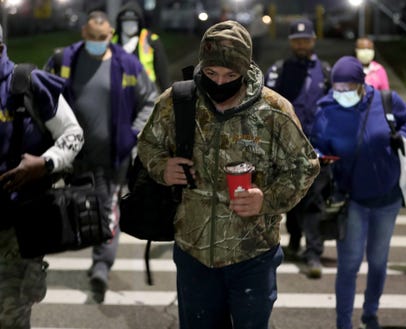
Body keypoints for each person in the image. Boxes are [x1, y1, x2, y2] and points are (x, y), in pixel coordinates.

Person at [137, 20, 320, 329]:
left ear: (245, 70)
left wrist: (266, 199)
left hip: (252, 255)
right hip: (193, 252)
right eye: (211, 73)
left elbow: (304, 166)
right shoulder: (178, 101)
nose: (220, 82)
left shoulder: (273, 110)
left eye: (230, 75)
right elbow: (148, 144)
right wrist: (162, 168)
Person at [43, 10, 158, 303]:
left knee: (108, 209)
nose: (98, 42)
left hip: (113, 155)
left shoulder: (127, 64)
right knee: (71, 206)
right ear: (84, 34)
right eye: (93, 37)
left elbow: (149, 100)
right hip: (72, 155)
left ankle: (101, 266)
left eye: (103, 38)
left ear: (110, 35)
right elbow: (43, 95)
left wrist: (133, 134)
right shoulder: (64, 61)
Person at [311, 56, 406, 329]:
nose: (342, 93)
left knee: (379, 262)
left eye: (348, 87)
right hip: (351, 199)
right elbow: (314, 145)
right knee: (349, 265)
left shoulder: (385, 100)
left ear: (361, 84)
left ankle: (371, 315)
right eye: (337, 88)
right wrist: (320, 157)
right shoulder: (326, 110)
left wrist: (403, 135)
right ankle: (343, 323)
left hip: (387, 198)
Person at [0, 24, 84, 328]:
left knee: (11, 316)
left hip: (17, 225)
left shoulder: (28, 83)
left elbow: (73, 135)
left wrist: (45, 163)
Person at [264, 17, 331, 278]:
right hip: (286, 150)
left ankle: (313, 252)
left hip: (318, 149)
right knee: (292, 201)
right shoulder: (279, 71)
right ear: (291, 43)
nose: (302, 44)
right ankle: (293, 240)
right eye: (297, 40)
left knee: (315, 203)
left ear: (313, 40)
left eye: (306, 39)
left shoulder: (325, 71)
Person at [112, 1, 170, 91]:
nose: (129, 25)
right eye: (126, 21)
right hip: (119, 92)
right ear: (120, 23)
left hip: (146, 91)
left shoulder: (151, 40)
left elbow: (162, 73)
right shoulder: (112, 42)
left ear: (139, 22)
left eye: (133, 21)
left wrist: (167, 94)